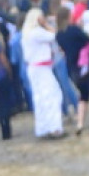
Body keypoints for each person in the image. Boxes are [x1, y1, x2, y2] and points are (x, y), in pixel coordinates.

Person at [56, 8, 89, 135]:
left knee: (83, 95)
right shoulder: (75, 30)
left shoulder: (59, 35)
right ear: (68, 17)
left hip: (74, 69)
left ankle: (80, 123)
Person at [21, 8, 65, 139]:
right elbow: (55, 35)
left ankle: (43, 127)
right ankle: (54, 127)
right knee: (52, 95)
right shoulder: (37, 32)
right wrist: (46, 24)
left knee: (40, 98)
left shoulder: (26, 34)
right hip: (42, 69)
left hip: (35, 68)